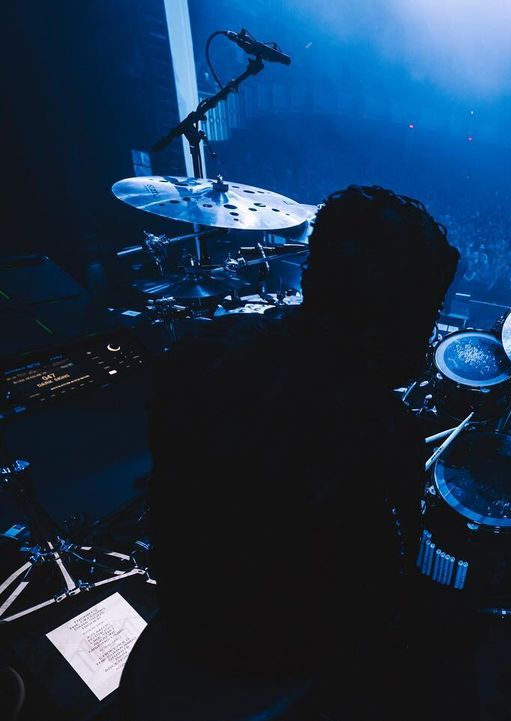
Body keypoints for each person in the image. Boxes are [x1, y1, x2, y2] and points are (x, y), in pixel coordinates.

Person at [146, 185, 461, 715]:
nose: (429, 331)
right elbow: (378, 587)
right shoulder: (380, 431)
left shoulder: (197, 353)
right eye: (427, 311)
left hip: (182, 608)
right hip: (277, 652)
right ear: (389, 313)